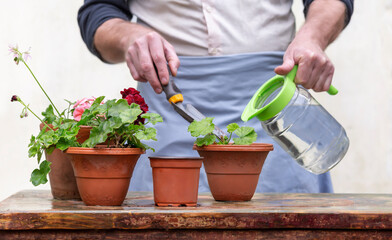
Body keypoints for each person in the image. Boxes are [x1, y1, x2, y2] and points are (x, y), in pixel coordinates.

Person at [78, 0, 354, 193]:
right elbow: (99, 11)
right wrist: (130, 36)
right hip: (171, 101)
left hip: (273, 104)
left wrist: (313, 37)